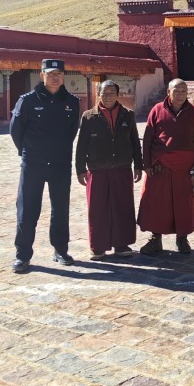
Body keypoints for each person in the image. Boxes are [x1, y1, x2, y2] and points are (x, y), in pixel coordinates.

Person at [9, 59, 80, 273]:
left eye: (59, 73)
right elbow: (16, 130)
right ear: (42, 75)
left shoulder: (72, 102)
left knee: (61, 208)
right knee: (27, 209)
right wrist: (28, 152)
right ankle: (22, 255)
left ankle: (60, 250)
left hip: (60, 163)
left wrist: (59, 151)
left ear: (64, 76)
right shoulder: (27, 100)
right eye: (50, 74)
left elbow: (72, 131)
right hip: (33, 163)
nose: (55, 77)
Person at [75, 80, 143, 260]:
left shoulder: (127, 115)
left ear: (117, 95)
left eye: (112, 93)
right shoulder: (89, 117)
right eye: (104, 93)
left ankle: (122, 244)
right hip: (97, 169)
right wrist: (80, 169)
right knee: (98, 209)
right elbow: (81, 145)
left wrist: (138, 165)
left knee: (123, 206)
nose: (108, 96)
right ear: (99, 94)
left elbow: (134, 141)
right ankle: (98, 246)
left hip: (122, 168)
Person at [137, 79, 194, 255]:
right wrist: (147, 164)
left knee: (184, 203)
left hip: (185, 168)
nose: (180, 94)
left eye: (184, 91)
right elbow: (148, 139)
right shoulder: (157, 110)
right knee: (156, 202)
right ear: (168, 92)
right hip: (160, 166)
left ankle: (182, 238)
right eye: (177, 90)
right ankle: (155, 239)